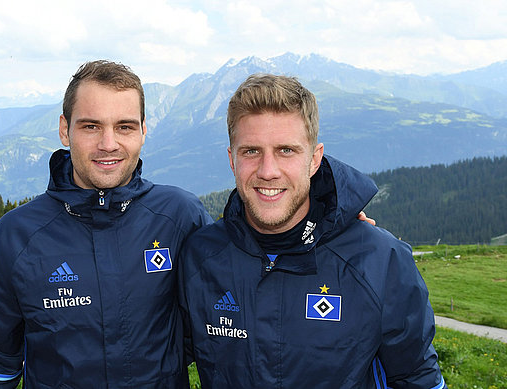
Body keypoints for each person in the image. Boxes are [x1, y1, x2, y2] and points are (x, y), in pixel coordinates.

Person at [178, 74, 447, 388]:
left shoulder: (379, 261)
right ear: (231, 159)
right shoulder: (200, 257)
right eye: (251, 151)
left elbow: (418, 379)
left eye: (286, 151)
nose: (268, 171)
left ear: (315, 159)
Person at [0, 60, 212, 388]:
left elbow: (217, 325)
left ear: (143, 130)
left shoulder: (181, 217)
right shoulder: (15, 237)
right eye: (90, 126)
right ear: (64, 130)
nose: (108, 143)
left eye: (124, 126)